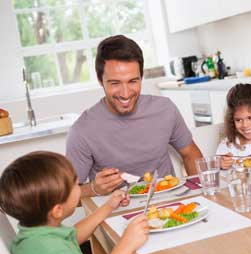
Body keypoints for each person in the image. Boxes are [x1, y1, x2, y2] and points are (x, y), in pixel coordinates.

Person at [66, 35, 202, 197]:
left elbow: (190, 154)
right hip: (116, 214)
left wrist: (201, 194)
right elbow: (67, 197)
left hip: (168, 204)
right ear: (100, 80)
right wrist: (94, 188)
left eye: (132, 81)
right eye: (115, 83)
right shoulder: (82, 130)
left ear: (141, 76)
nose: (125, 93)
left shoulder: (164, 109)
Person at [0, 151, 149, 254]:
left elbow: (72, 236)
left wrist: (108, 206)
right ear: (58, 211)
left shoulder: (37, 234)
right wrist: (124, 247)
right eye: (76, 184)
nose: (80, 187)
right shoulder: (51, 253)